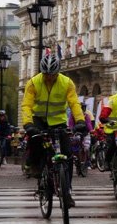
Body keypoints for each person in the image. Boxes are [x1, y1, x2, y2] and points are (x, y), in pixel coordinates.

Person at [21, 54, 87, 207]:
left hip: (58, 122)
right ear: (42, 72)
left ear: (58, 72)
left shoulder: (67, 83)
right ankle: (36, 166)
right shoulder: (33, 83)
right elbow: (26, 105)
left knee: (68, 155)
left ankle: (67, 192)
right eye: (46, 75)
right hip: (39, 120)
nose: (49, 78)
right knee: (35, 139)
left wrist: (80, 120)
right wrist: (28, 124)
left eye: (52, 75)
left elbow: (74, 104)